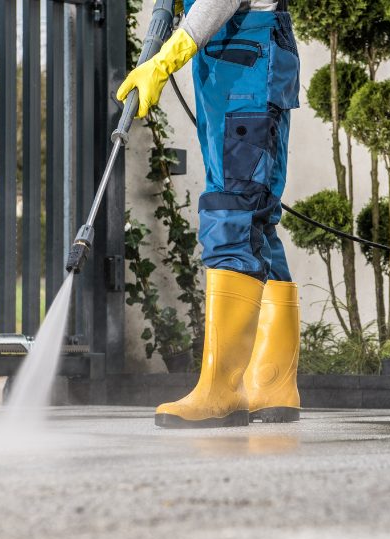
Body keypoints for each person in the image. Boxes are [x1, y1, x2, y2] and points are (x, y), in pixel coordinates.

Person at [117, 0, 302, 428]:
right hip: (241, 61)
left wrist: (166, 58)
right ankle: (273, 384)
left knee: (232, 211)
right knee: (256, 220)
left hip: (245, 65)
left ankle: (222, 388)